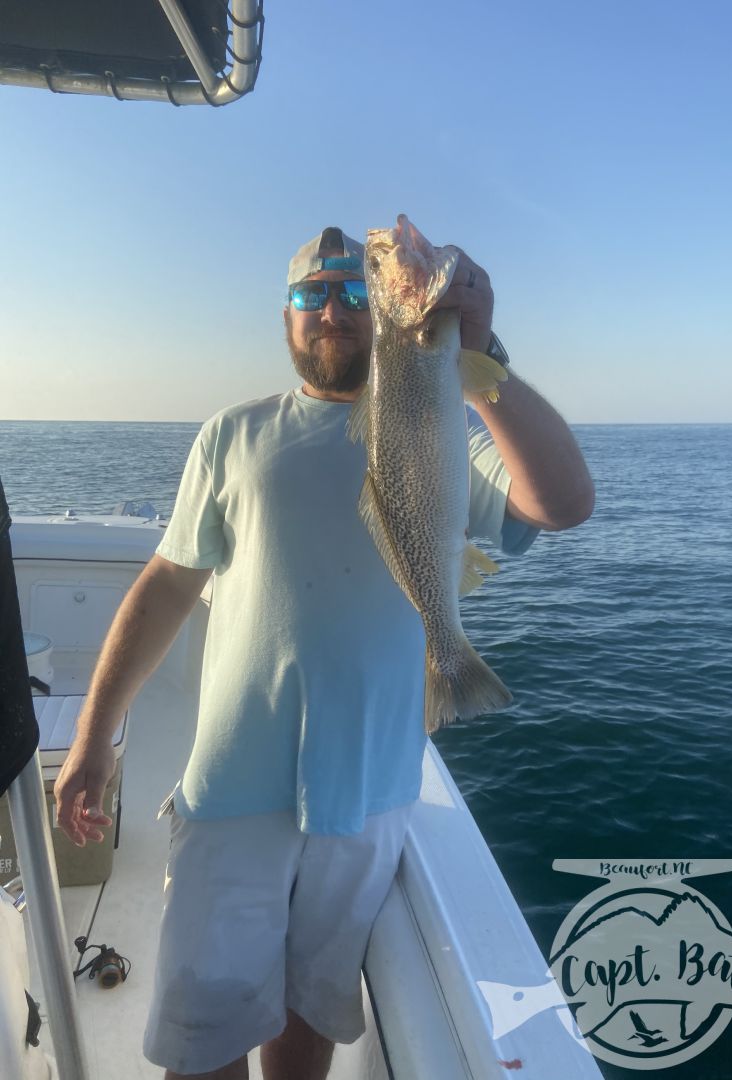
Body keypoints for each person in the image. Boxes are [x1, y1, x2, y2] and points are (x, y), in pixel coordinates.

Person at [53, 226, 595, 1080]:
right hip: (233, 791)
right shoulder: (234, 434)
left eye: (353, 288)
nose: (335, 308)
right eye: (314, 294)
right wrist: (94, 737)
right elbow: (166, 586)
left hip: (372, 797)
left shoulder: (438, 418)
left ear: (383, 313)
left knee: (311, 1014)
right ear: (286, 317)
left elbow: (562, 503)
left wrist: (482, 350)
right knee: (202, 1035)